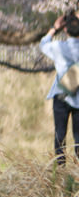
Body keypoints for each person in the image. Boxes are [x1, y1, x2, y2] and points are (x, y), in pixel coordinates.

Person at [39, 12, 79, 165]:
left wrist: (54, 28)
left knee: (60, 135)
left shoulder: (58, 47)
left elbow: (43, 44)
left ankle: (60, 170)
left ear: (65, 30)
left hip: (61, 94)